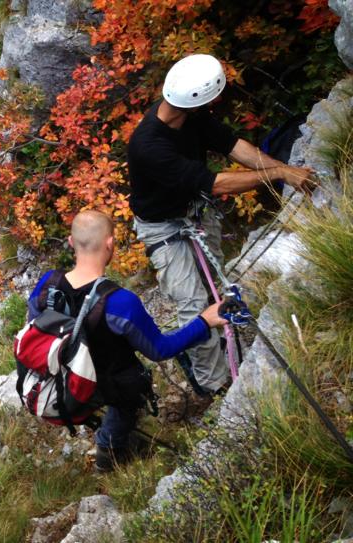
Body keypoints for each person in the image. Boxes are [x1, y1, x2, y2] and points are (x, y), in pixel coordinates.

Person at [127, 53, 315, 396]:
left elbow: (233, 146)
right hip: (163, 229)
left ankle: (222, 346)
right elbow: (214, 183)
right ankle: (215, 385)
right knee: (193, 304)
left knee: (214, 285)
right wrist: (278, 173)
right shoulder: (148, 146)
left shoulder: (190, 116)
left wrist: (282, 174)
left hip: (194, 212)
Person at [26, 210, 229, 472]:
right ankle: (109, 450)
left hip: (60, 377)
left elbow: (35, 323)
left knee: (118, 388)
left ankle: (109, 443)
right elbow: (159, 349)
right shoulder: (120, 302)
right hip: (108, 383)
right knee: (129, 397)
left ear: (70, 242)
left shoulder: (47, 284)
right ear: (110, 244)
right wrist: (204, 321)